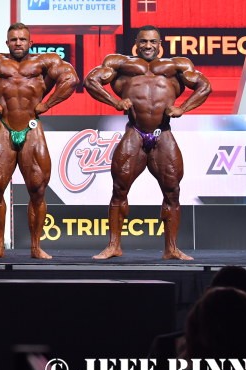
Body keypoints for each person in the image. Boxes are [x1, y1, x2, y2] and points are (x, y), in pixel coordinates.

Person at [84, 25, 211, 260]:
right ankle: (113, 246)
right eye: (143, 41)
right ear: (136, 43)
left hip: (163, 133)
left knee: (172, 191)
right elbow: (91, 81)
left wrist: (182, 108)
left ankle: (171, 249)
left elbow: (205, 86)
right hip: (135, 133)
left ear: (160, 44)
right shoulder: (120, 63)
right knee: (119, 190)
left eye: (153, 41)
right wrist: (115, 102)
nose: (148, 46)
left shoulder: (177, 66)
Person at [0, 22, 78, 259]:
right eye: (13, 39)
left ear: (30, 42)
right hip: (4, 127)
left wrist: (48, 104)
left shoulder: (44, 61)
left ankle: (36, 247)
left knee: (37, 189)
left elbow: (71, 79)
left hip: (32, 129)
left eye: (22, 39)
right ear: (7, 42)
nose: (18, 43)